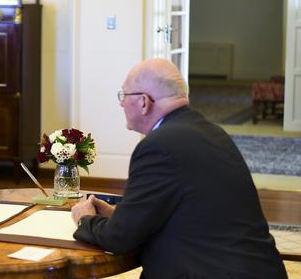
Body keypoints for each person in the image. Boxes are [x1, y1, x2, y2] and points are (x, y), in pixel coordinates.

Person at [70, 58, 287, 278]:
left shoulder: (158, 146)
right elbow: (191, 209)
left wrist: (85, 219)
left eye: (123, 95)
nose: (121, 103)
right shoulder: (211, 132)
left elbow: (119, 239)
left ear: (144, 102)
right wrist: (121, 214)